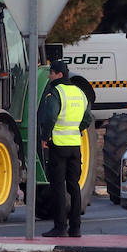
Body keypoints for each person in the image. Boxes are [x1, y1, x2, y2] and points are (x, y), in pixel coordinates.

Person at [37, 59, 92, 238]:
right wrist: (76, 130)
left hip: (59, 146)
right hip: (75, 146)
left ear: (59, 75)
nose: (49, 76)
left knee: (58, 187)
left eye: (51, 73)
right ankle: (75, 228)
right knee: (74, 186)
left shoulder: (56, 92)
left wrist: (46, 136)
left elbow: (51, 116)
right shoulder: (79, 92)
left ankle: (60, 227)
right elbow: (87, 118)